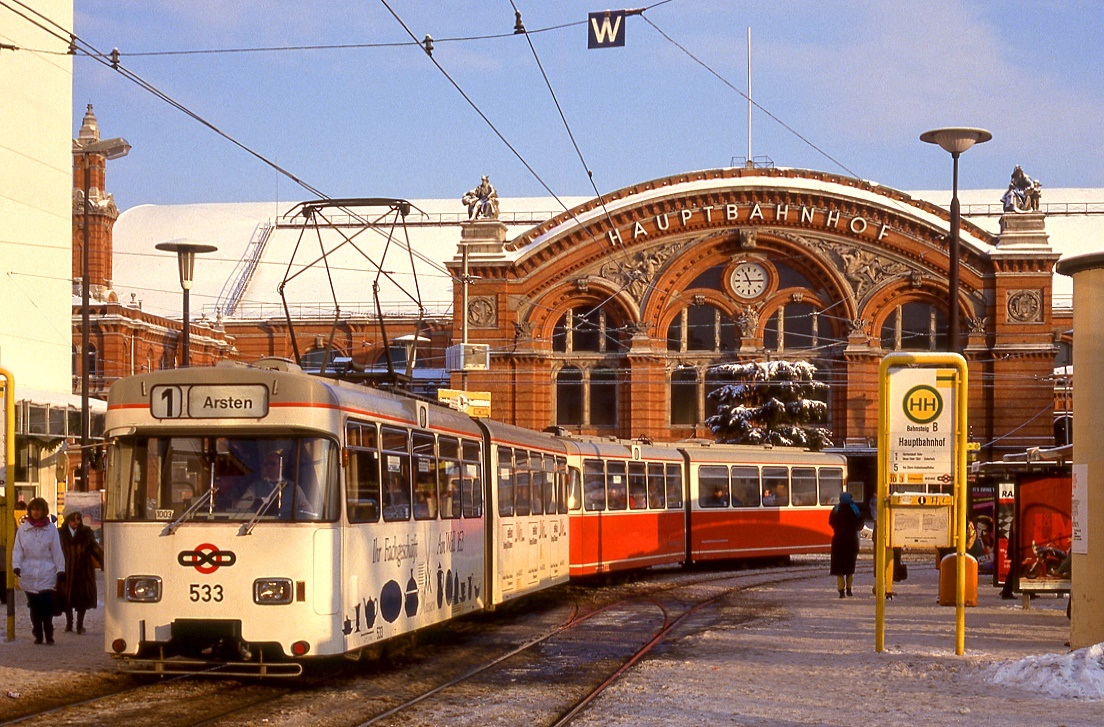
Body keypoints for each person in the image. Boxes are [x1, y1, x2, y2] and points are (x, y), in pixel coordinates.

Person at [12, 497, 66, 644]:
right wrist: (16, 565)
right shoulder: (23, 530)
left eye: (39, 509)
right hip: (28, 572)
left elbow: (57, 551)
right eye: (33, 509)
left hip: (46, 571)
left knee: (46, 604)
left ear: (44, 511)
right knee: (34, 606)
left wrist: (60, 569)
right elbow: (18, 550)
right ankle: (37, 632)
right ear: (30, 511)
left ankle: (48, 631)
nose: (36, 512)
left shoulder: (51, 530)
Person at [57, 505, 104, 635]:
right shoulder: (60, 533)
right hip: (66, 570)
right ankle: (69, 623)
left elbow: (94, 548)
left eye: (78, 518)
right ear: (67, 520)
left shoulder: (86, 532)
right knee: (66, 598)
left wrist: (103, 561)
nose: (76, 521)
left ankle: (79, 625)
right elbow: (54, 550)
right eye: (73, 519)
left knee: (82, 598)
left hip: (83, 570)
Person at [829, 491, 863, 598]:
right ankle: (849, 589)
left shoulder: (836, 509)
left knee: (839, 568)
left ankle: (841, 590)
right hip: (851, 541)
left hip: (838, 541)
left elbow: (831, 522)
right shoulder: (854, 509)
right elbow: (860, 524)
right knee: (849, 567)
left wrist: (838, 529)